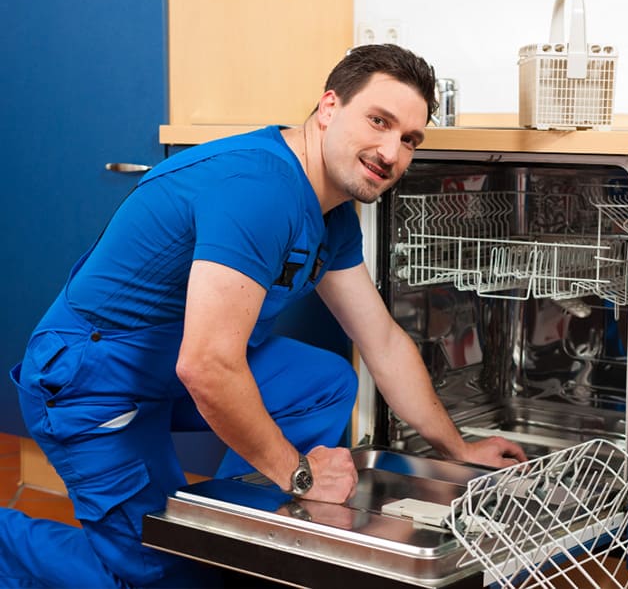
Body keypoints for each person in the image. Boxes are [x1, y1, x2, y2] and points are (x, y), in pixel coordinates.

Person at [1, 44, 525, 588]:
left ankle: (240, 527)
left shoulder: (331, 211)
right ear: (328, 108)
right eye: (379, 121)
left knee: (322, 384)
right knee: (164, 575)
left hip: (167, 364)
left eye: (409, 139)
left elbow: (383, 343)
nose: (391, 152)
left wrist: (458, 450)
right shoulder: (259, 190)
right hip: (91, 384)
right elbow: (207, 367)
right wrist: (300, 475)